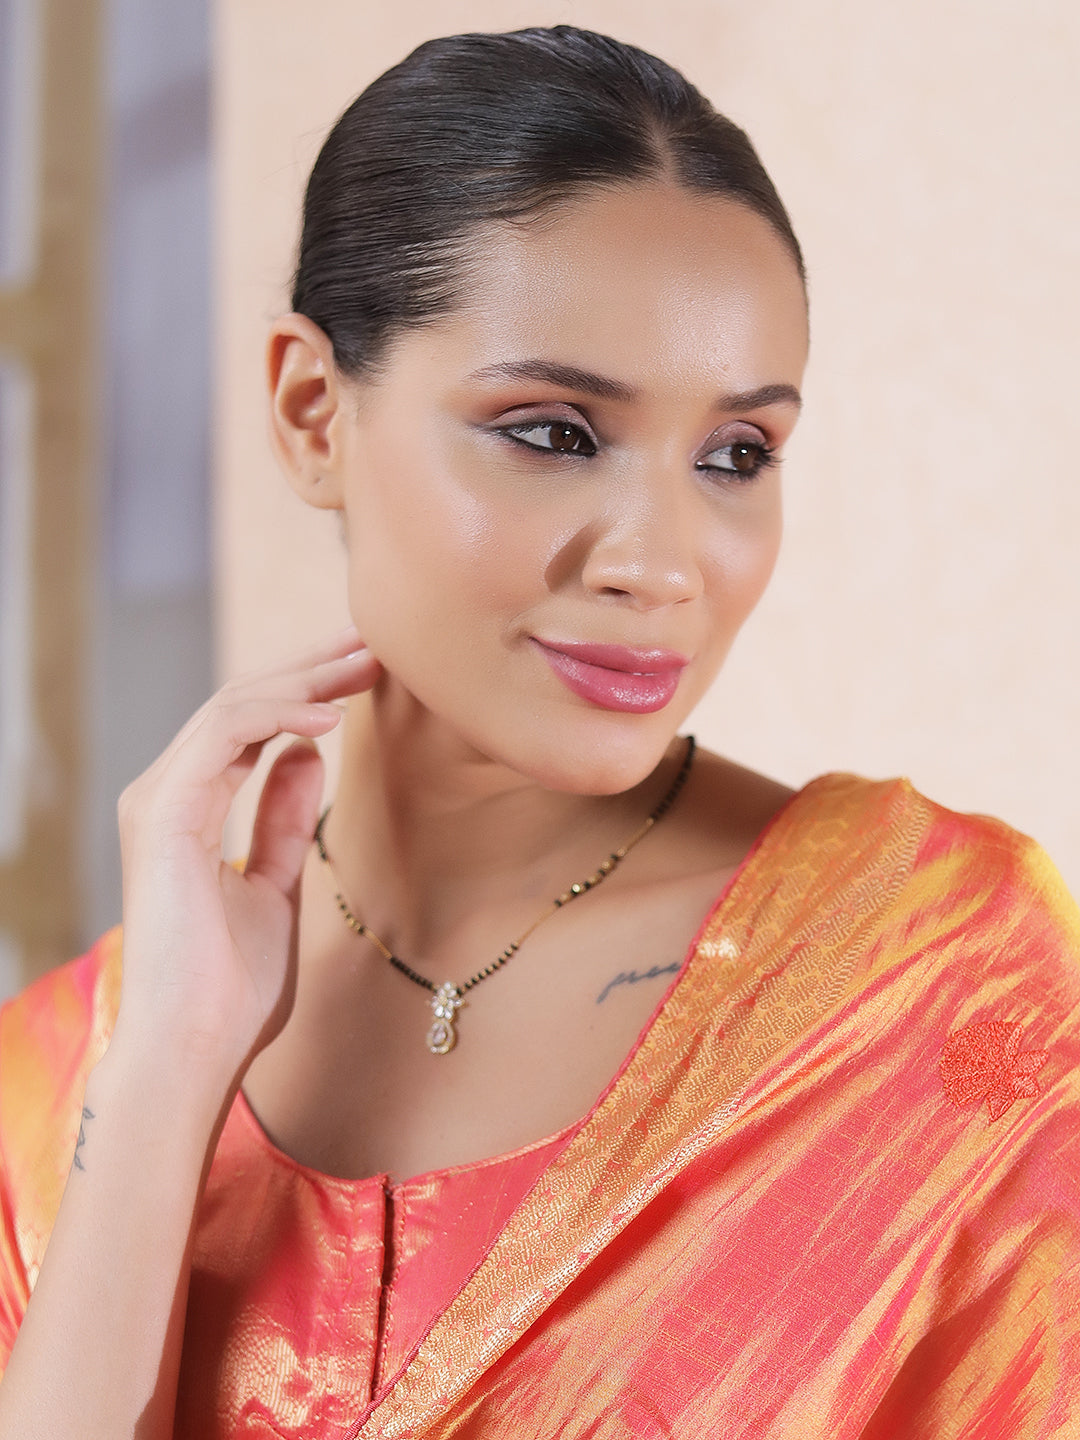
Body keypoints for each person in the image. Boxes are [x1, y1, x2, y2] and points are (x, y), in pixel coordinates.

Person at [0, 22, 1078, 1439]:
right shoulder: (61, 1075)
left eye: (736, 455)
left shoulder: (931, 985)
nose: (665, 562)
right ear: (312, 410)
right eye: (556, 432)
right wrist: (157, 1084)